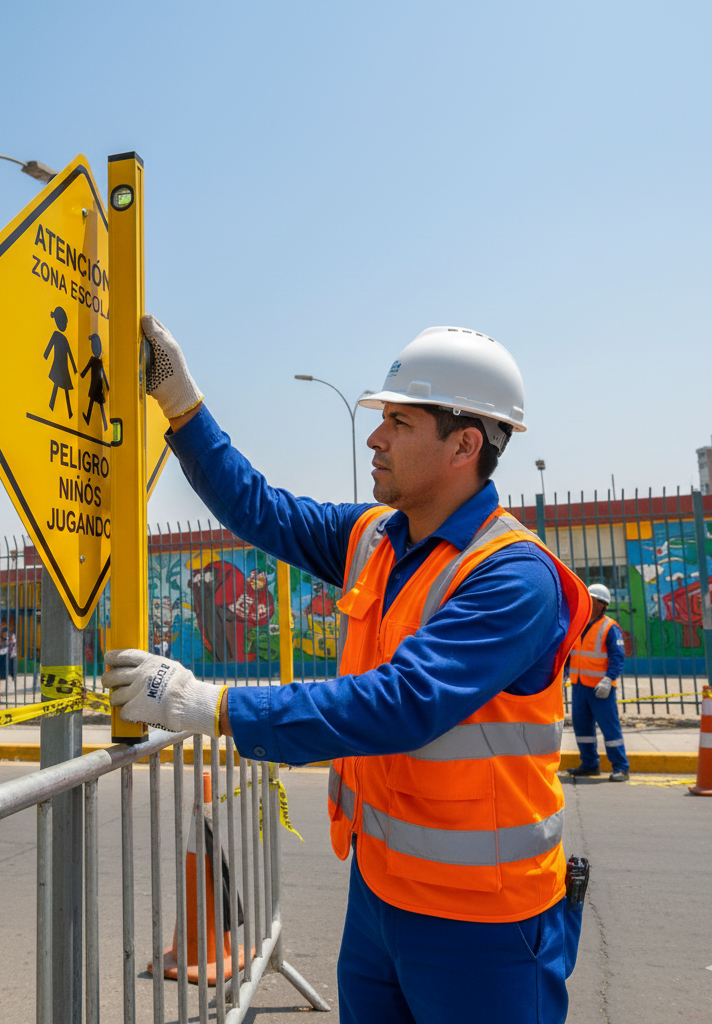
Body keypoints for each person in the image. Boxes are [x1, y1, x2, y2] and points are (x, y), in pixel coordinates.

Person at [106, 316, 594, 1024]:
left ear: (464, 444)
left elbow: (401, 703)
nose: (375, 437)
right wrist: (182, 404)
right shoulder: (377, 537)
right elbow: (261, 509)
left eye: (399, 421)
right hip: (379, 901)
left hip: (484, 922)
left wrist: (209, 706)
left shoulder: (513, 577)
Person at [565, 583, 630, 782]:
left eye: (591, 599)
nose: (587, 602)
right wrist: (563, 675)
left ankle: (621, 767)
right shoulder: (578, 623)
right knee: (582, 727)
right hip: (579, 686)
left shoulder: (610, 628)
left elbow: (617, 657)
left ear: (602, 605)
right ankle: (589, 764)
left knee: (609, 728)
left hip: (601, 688)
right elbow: (569, 653)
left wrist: (609, 680)